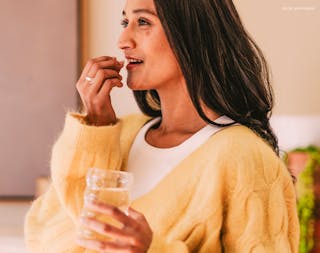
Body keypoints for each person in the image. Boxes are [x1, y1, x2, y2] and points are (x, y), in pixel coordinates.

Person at [24, 0, 300, 252]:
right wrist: (96, 124)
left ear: (193, 34)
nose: (122, 40)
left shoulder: (245, 158)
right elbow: (46, 229)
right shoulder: (121, 133)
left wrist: (153, 249)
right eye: (125, 22)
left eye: (143, 22)